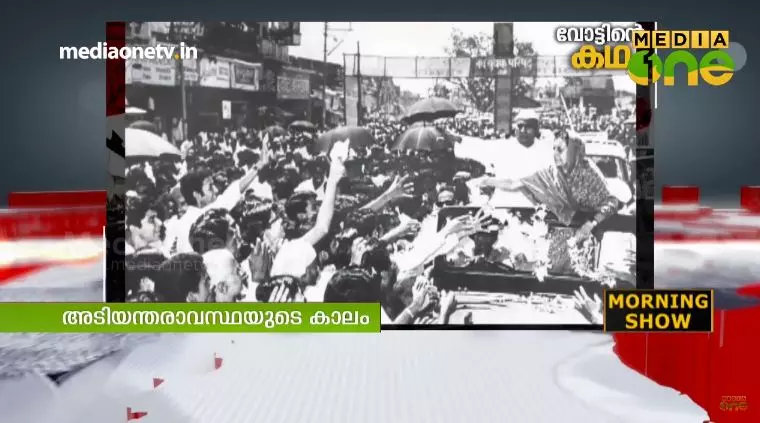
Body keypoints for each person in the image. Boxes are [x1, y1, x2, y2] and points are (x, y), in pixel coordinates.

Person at [479, 130, 621, 273]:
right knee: (548, 277)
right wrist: (487, 181)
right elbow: (515, 184)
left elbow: (611, 202)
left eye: (560, 149)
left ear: (574, 151)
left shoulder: (589, 174)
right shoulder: (552, 173)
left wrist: (590, 224)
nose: (555, 153)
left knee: (578, 278)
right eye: (553, 149)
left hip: (583, 238)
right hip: (559, 236)